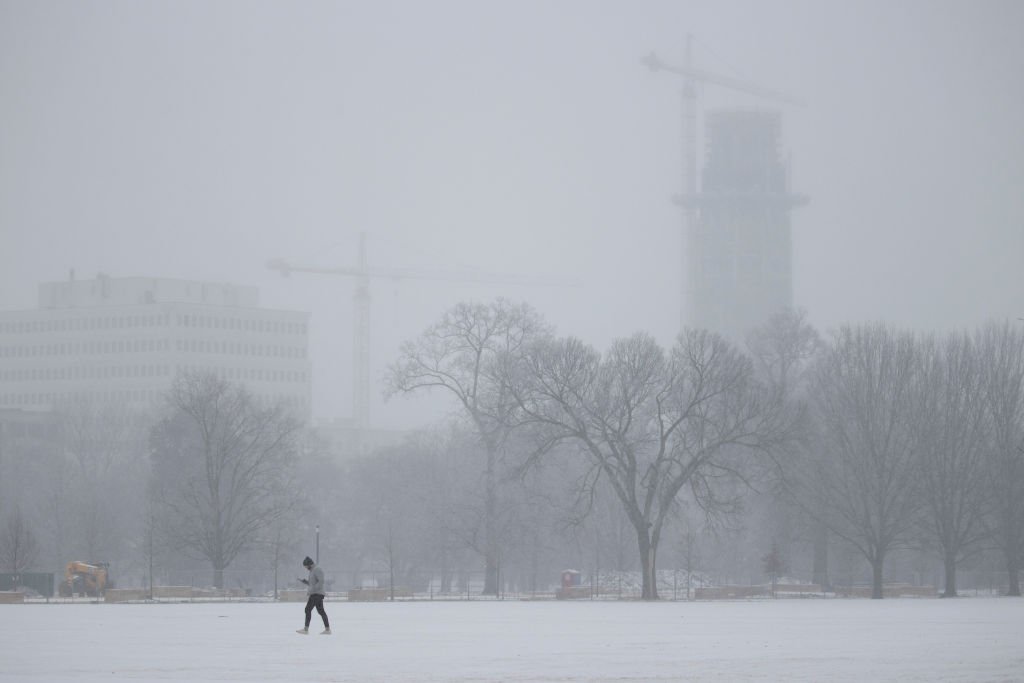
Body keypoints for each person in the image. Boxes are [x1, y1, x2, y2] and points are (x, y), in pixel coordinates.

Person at [296, 556, 330, 635]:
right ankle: (327, 629)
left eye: (305, 566)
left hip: (316, 594)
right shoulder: (312, 571)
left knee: (307, 609)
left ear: (309, 564)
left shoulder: (317, 569)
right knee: (321, 611)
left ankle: (306, 629)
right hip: (315, 593)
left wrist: (314, 589)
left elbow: (321, 581)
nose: (305, 568)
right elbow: (312, 584)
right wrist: (304, 582)